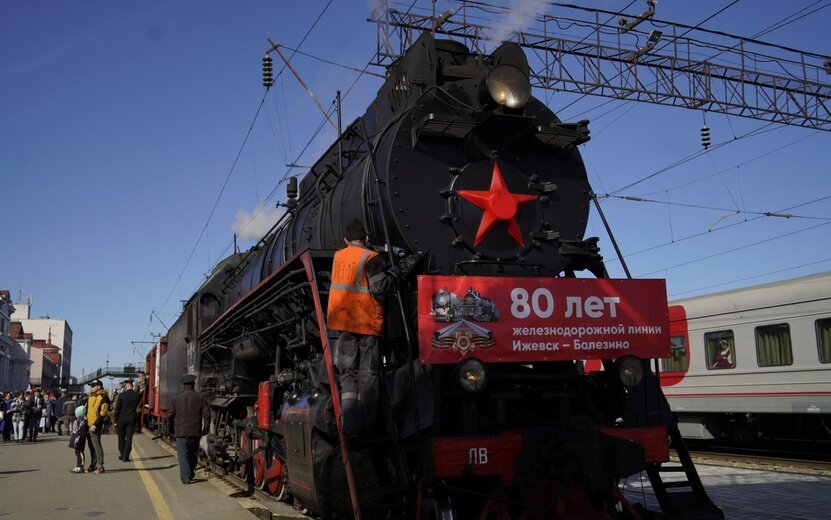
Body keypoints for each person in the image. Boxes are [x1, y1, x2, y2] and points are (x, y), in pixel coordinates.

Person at [326, 219, 404, 441]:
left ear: (345, 240)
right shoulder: (370, 258)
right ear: (366, 239)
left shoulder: (338, 257)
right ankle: (369, 426)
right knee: (368, 374)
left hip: (343, 324)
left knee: (348, 374)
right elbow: (381, 286)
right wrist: (395, 274)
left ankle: (351, 425)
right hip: (367, 324)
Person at [168, 374, 210, 484]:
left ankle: (186, 477)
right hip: (194, 431)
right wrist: (205, 428)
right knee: (192, 454)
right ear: (194, 384)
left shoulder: (176, 398)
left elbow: (170, 415)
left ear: (183, 385)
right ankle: (190, 473)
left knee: (183, 456)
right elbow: (207, 414)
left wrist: (170, 429)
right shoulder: (200, 397)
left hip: (180, 432)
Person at [85, 379, 110, 474]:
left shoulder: (103, 397)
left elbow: (102, 413)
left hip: (96, 425)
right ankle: (93, 464)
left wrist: (95, 424)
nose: (91, 388)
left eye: (93, 386)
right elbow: (87, 410)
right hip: (88, 424)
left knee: (96, 444)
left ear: (99, 387)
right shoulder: (91, 396)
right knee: (91, 446)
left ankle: (100, 465)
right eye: (91, 386)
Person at [114, 379, 140, 462]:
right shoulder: (137, 395)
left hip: (121, 418)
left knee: (121, 438)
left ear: (126, 386)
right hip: (131, 418)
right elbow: (137, 406)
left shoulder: (122, 395)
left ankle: (122, 455)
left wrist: (115, 419)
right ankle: (126, 456)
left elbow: (117, 408)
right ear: (132, 385)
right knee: (129, 438)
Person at [69, 405, 87, 473]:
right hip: (76, 438)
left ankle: (80, 466)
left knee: (80, 452)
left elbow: (81, 431)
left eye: (76, 413)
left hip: (79, 439)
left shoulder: (82, 420)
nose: (75, 414)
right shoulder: (78, 420)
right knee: (77, 452)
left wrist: (78, 438)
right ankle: (78, 466)